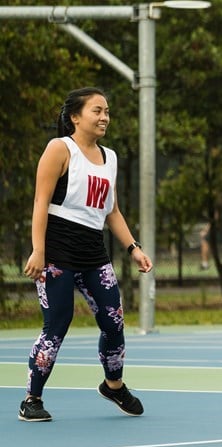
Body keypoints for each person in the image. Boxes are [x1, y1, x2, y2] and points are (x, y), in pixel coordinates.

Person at [20, 87, 153, 422]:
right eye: (97, 110)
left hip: (95, 255)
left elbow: (112, 212)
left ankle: (113, 385)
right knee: (57, 326)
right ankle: (31, 399)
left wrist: (133, 248)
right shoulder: (59, 149)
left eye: (107, 111)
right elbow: (40, 201)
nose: (104, 117)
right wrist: (39, 250)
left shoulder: (111, 158)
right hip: (56, 257)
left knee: (114, 323)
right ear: (75, 117)